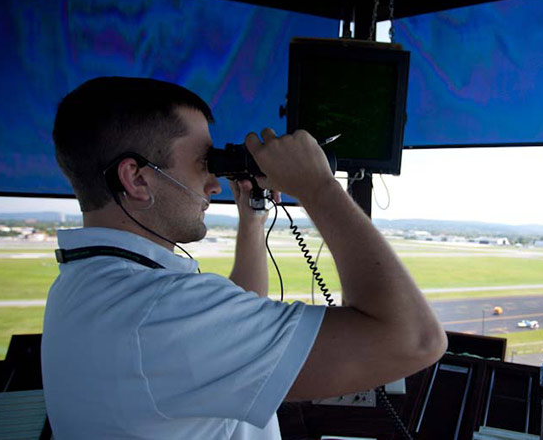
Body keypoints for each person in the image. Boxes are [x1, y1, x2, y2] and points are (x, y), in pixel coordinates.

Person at [42, 76, 447, 439]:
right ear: (137, 179)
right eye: (204, 163)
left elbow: (226, 329)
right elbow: (415, 340)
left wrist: (252, 216)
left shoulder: (86, 284)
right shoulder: (162, 312)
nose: (214, 183)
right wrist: (317, 186)